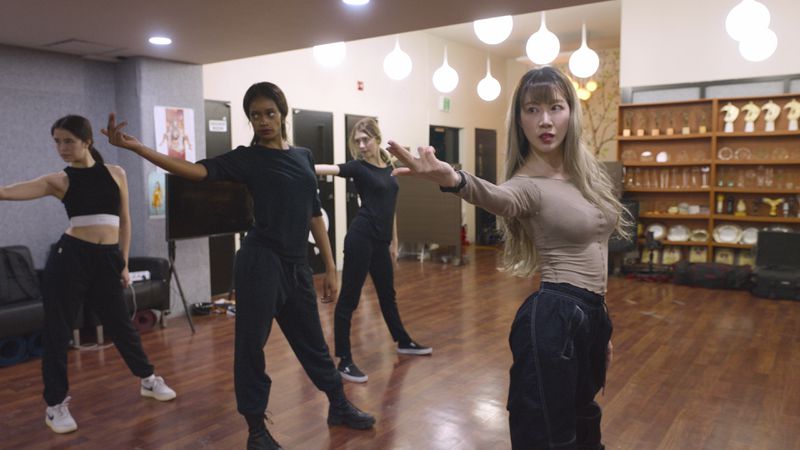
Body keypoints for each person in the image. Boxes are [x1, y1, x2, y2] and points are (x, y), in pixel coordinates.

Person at [102, 82, 375, 450]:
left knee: (313, 342)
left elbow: (313, 213)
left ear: (283, 113)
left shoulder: (303, 156)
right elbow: (193, 171)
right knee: (250, 347)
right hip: (260, 262)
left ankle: (338, 405)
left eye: (269, 113)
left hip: (297, 266)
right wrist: (138, 148)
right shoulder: (247, 158)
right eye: (255, 115)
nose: (263, 121)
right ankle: (256, 431)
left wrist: (330, 266)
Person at [386, 66, 629, 450]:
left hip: (590, 315)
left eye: (555, 107)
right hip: (554, 318)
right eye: (532, 109)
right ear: (519, 119)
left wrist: (602, 326)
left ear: (571, 112)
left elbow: (596, 253)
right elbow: (497, 197)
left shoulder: (585, 176)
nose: (545, 120)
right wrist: (455, 179)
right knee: (551, 436)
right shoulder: (526, 185)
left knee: (585, 422)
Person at [0, 115, 176, 435]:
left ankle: (148, 380)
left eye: (68, 140)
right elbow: (10, 192)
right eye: (57, 141)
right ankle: (55, 405)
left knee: (122, 326)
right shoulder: (60, 180)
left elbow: (124, 221)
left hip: (106, 259)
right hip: (70, 259)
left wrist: (122, 262)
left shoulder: (116, 174)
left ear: (88, 141)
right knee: (58, 332)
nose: (62, 148)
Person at [315, 118, 431, 384]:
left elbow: (391, 207)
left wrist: (394, 240)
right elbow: (330, 169)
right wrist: (299, 166)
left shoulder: (390, 168)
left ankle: (403, 341)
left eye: (366, 139)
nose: (362, 145)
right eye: (357, 141)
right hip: (360, 237)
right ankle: (343, 360)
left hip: (380, 241)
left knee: (387, 294)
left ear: (378, 138)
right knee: (350, 299)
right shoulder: (358, 167)